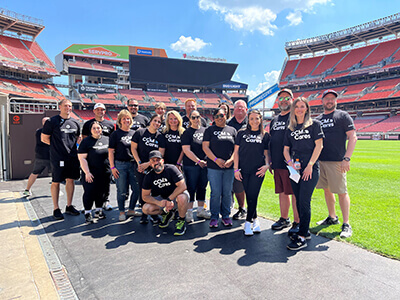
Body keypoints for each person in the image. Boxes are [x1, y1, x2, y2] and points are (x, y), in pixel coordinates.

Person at [315, 89, 357, 238]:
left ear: (336, 101)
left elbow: (353, 137)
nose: (330, 101)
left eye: (332, 98)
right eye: (327, 98)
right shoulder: (318, 119)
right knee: (327, 190)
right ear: (322, 101)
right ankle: (332, 217)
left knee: (341, 191)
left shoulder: (342, 116)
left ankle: (346, 224)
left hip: (337, 161)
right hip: (321, 160)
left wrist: (347, 158)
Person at [283, 97, 324, 250]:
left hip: (310, 168)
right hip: (295, 169)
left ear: (307, 108)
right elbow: (285, 150)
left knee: (304, 201)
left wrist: (310, 165)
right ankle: (304, 230)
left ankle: (301, 238)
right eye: (297, 106)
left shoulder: (315, 125)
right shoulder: (290, 128)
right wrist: (290, 164)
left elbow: (319, 146)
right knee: (298, 200)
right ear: (293, 109)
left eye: (302, 106)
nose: (299, 109)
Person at [41, 99, 81, 220]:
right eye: (65, 106)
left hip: (72, 157)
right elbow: (44, 138)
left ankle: (69, 206)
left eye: (69, 106)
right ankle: (56, 208)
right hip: (58, 157)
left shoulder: (75, 122)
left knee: (70, 180)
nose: (67, 108)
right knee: (56, 181)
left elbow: (78, 138)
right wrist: (57, 148)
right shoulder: (52, 121)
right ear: (60, 107)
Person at [233, 109, 270, 236]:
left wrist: (267, 165)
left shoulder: (265, 135)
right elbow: (236, 152)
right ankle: (255, 219)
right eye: (252, 118)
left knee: (253, 195)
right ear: (248, 120)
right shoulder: (241, 133)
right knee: (249, 196)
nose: (254, 121)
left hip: (258, 171)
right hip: (244, 170)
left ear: (261, 120)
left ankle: (248, 223)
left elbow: (266, 153)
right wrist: (236, 169)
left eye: (257, 118)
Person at [269, 88, 300, 235]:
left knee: (294, 193)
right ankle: (284, 218)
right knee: (282, 192)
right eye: (281, 98)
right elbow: (271, 141)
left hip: (292, 163)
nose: (284, 101)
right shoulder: (274, 120)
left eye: (287, 98)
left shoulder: (295, 117)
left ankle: (297, 221)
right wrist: (270, 161)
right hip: (277, 163)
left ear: (292, 100)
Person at [203, 108, 237, 228]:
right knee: (216, 193)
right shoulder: (209, 130)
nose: (219, 118)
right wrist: (216, 160)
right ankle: (214, 217)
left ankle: (226, 216)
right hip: (214, 167)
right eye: (216, 116)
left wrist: (231, 160)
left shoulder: (232, 130)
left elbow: (236, 149)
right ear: (213, 118)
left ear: (226, 116)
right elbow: (205, 148)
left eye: (221, 115)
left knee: (227, 192)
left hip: (229, 167)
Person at [142, 150, 189, 236]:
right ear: (150, 163)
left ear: (162, 160)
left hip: (176, 197)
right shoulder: (149, 176)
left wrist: (169, 199)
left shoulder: (171, 169)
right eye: (153, 160)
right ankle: (166, 213)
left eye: (158, 160)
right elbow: (145, 196)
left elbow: (183, 186)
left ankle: (181, 220)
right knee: (146, 208)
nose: (156, 162)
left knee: (182, 197)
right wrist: (158, 202)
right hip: (163, 199)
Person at [131, 114, 166, 224]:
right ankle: (144, 214)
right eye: (155, 120)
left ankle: (154, 214)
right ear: (150, 121)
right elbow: (133, 148)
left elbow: (161, 154)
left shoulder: (160, 137)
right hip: (140, 167)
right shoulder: (140, 132)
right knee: (143, 190)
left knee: (154, 191)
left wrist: (148, 164)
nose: (156, 123)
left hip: (154, 168)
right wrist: (140, 163)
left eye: (159, 122)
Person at [81, 102, 115, 210]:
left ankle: (105, 201)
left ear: (105, 111)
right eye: (98, 109)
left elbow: (112, 143)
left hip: (105, 159)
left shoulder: (109, 124)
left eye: (102, 110)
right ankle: (89, 208)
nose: (100, 111)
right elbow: (85, 140)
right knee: (91, 187)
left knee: (105, 184)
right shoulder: (88, 124)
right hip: (92, 159)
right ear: (94, 111)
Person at [108, 110, 140, 222]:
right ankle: (121, 211)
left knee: (137, 189)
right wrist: (112, 167)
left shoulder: (134, 133)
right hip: (120, 164)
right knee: (121, 190)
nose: (126, 120)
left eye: (128, 118)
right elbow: (111, 151)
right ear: (120, 121)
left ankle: (131, 209)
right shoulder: (115, 134)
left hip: (133, 164)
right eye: (124, 118)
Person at [181, 110, 211, 222]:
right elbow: (186, 150)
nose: (195, 119)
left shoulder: (205, 131)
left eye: (197, 117)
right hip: (191, 165)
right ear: (189, 119)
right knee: (191, 188)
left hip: (205, 165)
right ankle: (189, 212)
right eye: (193, 117)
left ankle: (200, 210)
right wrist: (198, 161)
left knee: (202, 187)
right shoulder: (187, 132)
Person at [78, 121, 111, 224]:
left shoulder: (107, 139)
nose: (97, 130)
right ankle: (88, 212)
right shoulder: (86, 142)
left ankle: (98, 210)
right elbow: (82, 159)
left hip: (104, 172)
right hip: (91, 173)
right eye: (94, 128)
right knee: (90, 192)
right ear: (90, 130)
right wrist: (87, 172)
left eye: (98, 128)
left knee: (102, 192)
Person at [227, 100, 248, 220]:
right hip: (233, 159)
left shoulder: (251, 122)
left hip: (248, 159)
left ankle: (250, 210)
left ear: (246, 109)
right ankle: (241, 208)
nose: (240, 109)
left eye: (242, 107)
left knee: (249, 186)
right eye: (237, 107)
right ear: (233, 109)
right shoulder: (228, 124)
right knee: (237, 186)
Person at [23, 117, 50, 197]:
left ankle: (27, 189)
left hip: (40, 156)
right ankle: (56, 191)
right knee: (56, 174)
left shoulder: (38, 131)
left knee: (34, 173)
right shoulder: (51, 132)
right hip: (49, 156)